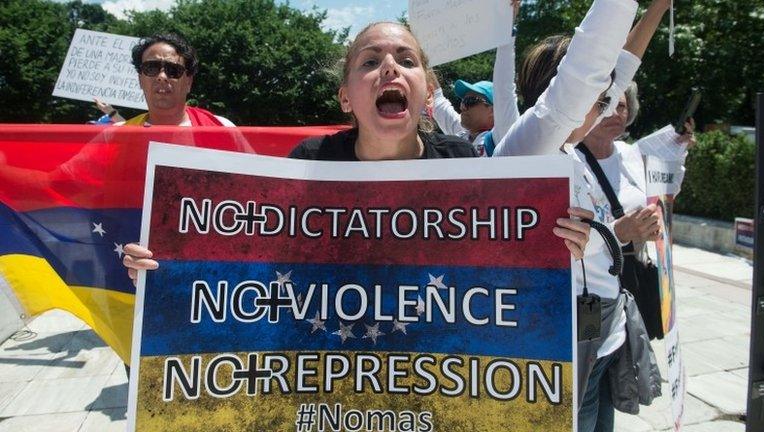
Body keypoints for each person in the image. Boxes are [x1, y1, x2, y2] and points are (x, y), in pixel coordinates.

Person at [123, 21, 594, 290]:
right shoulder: (309, 162)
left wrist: (555, 240)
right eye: (370, 62)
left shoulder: (463, 163)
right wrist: (168, 259)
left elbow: (503, 264)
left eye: (406, 60)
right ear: (346, 97)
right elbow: (251, 257)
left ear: (425, 91)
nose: (390, 66)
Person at [491, 0, 665, 431]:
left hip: (606, 337)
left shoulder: (573, 149)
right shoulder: (527, 148)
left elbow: (621, 66)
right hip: (565, 345)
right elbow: (586, 71)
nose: (607, 105)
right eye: (598, 96)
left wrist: (658, 8)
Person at [431, 0, 521, 156]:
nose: (463, 107)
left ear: (494, 110)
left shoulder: (503, 136)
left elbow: (504, 89)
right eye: (464, 101)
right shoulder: (460, 134)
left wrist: (506, 30)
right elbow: (437, 99)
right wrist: (419, 54)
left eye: (470, 101)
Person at [120, 33, 235, 127]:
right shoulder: (116, 136)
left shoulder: (222, 129)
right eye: (151, 68)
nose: (162, 77)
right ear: (140, 80)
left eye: (173, 70)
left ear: (188, 82)